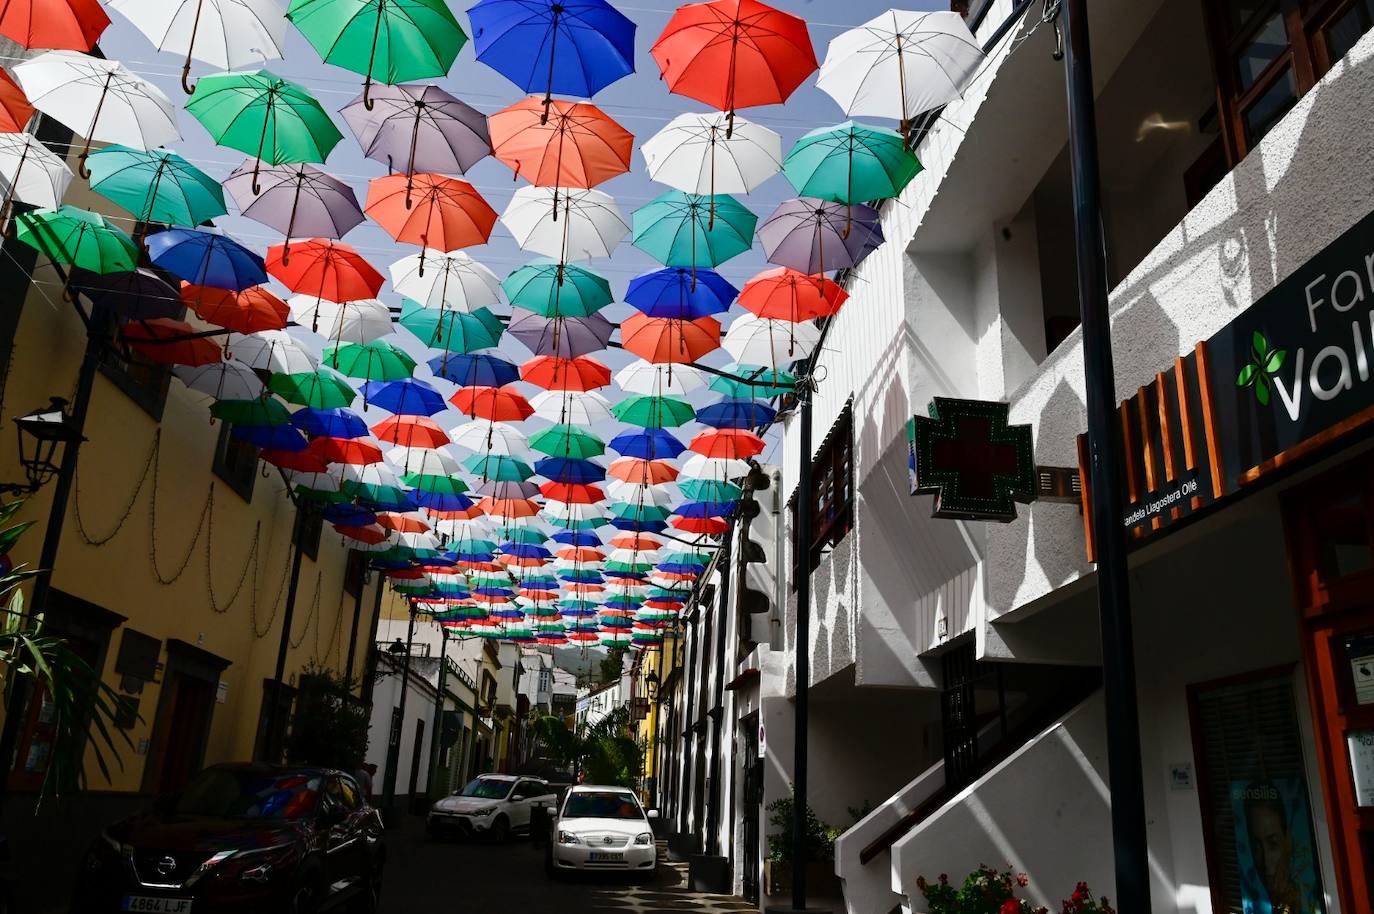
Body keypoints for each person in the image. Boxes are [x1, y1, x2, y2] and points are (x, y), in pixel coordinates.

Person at [1242, 782, 1308, 914]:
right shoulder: (1255, 902)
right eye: (1257, 845)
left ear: (1287, 841)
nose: (1266, 861)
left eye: (1273, 844)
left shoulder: (1305, 897)